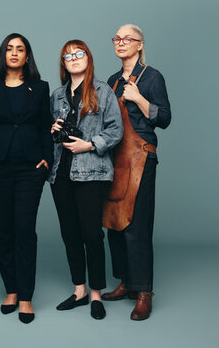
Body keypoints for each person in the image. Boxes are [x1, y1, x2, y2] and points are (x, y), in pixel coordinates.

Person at [0, 33, 52, 324]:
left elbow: (46, 124)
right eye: (9, 49)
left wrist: (47, 159)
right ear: (3, 55)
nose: (14, 53)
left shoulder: (40, 88)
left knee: (24, 229)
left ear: (27, 57)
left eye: (20, 49)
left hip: (30, 169)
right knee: (4, 230)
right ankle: (10, 290)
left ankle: (25, 296)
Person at [48, 39, 123, 320]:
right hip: (60, 173)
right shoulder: (57, 95)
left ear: (88, 58)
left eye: (79, 54)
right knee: (70, 234)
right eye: (68, 56)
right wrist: (52, 127)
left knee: (91, 234)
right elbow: (50, 132)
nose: (74, 58)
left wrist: (89, 144)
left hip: (91, 171)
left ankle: (95, 294)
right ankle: (79, 290)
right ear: (63, 64)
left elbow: (116, 131)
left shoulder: (103, 92)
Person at [102, 24, 171, 321]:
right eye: (117, 38)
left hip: (141, 157)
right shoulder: (112, 81)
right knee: (114, 223)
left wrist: (139, 98)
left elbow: (165, 118)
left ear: (140, 44)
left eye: (127, 38)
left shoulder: (152, 77)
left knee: (137, 225)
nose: (121, 42)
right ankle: (126, 282)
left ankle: (143, 292)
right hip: (114, 159)